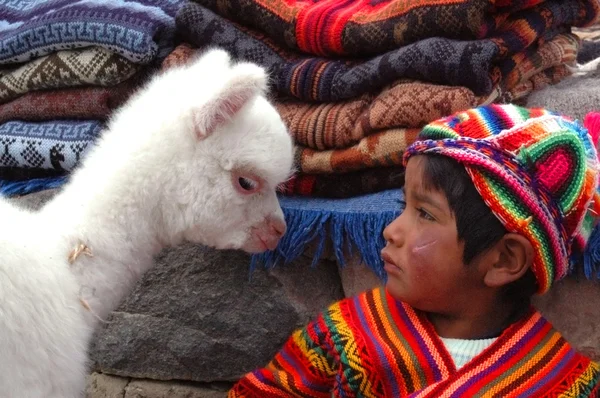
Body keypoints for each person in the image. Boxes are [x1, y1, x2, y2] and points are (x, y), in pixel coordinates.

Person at [228, 104, 600, 397]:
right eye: (403, 205)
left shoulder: (563, 385)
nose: (390, 230)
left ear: (504, 259)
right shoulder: (348, 335)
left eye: (424, 213)